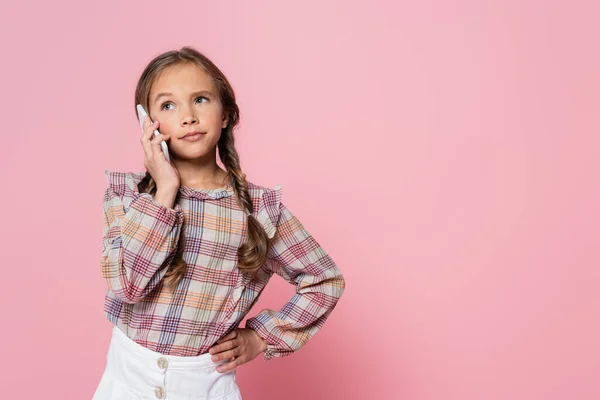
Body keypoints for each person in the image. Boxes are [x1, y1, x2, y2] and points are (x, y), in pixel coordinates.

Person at [92, 46, 346, 400]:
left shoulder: (259, 210)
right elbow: (127, 287)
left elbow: (324, 280)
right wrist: (165, 189)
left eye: (200, 100)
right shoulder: (127, 196)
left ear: (226, 114)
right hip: (125, 381)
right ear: (147, 124)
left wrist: (261, 337)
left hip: (206, 387)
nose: (188, 117)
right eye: (168, 106)